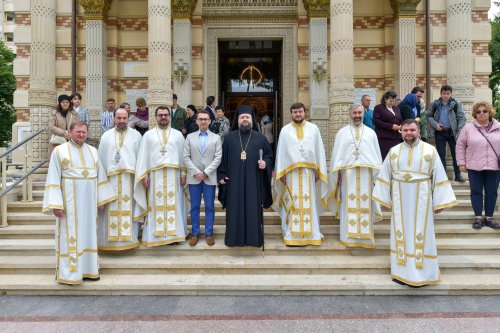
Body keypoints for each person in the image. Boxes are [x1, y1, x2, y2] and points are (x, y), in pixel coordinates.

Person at [373, 119, 457, 287]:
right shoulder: (393, 151)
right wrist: (383, 199)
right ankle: (401, 272)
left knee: (422, 233)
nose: (409, 133)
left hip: (423, 201)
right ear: (401, 132)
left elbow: (439, 176)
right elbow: (384, 176)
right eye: (405, 130)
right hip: (399, 201)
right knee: (400, 233)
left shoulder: (430, 150)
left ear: (419, 131)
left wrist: (440, 202)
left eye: (412, 130)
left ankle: (424, 273)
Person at [42, 121, 115, 285]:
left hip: (89, 205)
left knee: (89, 234)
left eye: (84, 132)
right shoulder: (60, 151)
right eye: (78, 132)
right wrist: (56, 204)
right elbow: (53, 177)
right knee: (70, 236)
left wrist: (101, 199)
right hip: (69, 205)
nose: (81, 135)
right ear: (70, 132)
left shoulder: (93, 152)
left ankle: (89, 270)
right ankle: (70, 273)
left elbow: (100, 176)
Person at [328, 104, 383, 248]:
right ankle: (348, 237)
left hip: (367, 174)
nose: (357, 115)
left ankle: (365, 237)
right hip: (348, 176)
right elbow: (337, 156)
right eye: (354, 113)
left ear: (363, 114)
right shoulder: (342, 133)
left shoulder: (371, 133)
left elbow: (376, 156)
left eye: (359, 113)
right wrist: (337, 174)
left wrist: (377, 178)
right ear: (349, 114)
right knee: (348, 204)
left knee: (366, 203)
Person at [217, 105, 273, 247]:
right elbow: (222, 159)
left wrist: (265, 163)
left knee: (253, 210)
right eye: (242, 117)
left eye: (247, 117)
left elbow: (269, 156)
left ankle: (254, 239)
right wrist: (221, 175)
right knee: (234, 210)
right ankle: (233, 239)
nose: (245, 120)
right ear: (238, 120)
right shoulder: (229, 138)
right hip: (234, 182)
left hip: (254, 182)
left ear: (252, 120)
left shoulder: (260, 138)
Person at [272, 103, 327, 246]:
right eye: (295, 112)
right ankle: (291, 232)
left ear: (305, 113)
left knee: (310, 201)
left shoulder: (314, 129)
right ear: (291, 113)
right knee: (293, 202)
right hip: (291, 174)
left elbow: (319, 150)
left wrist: (319, 170)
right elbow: (281, 152)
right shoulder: (285, 130)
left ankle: (312, 233)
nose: (298, 114)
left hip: (309, 173)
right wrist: (281, 172)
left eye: (300, 112)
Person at [134, 106, 188, 247]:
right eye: (160, 115)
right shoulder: (148, 135)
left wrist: (183, 173)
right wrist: (144, 173)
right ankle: (154, 237)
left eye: (166, 115)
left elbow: (183, 156)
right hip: (154, 176)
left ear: (170, 117)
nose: (163, 117)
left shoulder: (177, 135)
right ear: (155, 117)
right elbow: (143, 156)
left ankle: (175, 235)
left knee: (174, 205)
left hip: (174, 175)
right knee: (154, 205)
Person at [97, 108, 143, 250]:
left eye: (124, 118)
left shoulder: (136, 136)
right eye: (119, 118)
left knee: (131, 209)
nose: (122, 121)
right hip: (110, 182)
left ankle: (131, 240)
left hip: (130, 180)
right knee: (110, 209)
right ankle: (108, 242)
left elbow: (141, 159)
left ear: (128, 118)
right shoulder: (106, 136)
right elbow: (100, 162)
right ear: (114, 118)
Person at [456, 102, 500, 230]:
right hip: (474, 166)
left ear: (490, 112)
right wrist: (461, 163)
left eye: (484, 111)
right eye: (479, 111)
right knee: (476, 191)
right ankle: (478, 217)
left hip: (494, 167)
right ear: (475, 114)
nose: (481, 113)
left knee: (492, 192)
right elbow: (460, 146)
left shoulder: (499, 127)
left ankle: (489, 217)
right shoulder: (468, 128)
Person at [183, 110, 222, 246]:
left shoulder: (216, 138)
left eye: (206, 119)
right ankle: (195, 233)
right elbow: (186, 157)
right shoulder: (189, 137)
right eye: (201, 119)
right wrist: (196, 172)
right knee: (194, 207)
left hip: (209, 178)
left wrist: (205, 172)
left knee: (210, 207)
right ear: (197, 121)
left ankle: (209, 233)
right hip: (194, 178)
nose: (203, 121)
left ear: (210, 121)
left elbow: (218, 158)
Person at [427, 84, 466, 182]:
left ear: (451, 94)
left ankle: (458, 175)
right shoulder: (435, 104)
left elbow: (462, 118)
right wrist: (435, 125)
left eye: (448, 93)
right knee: (441, 155)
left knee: (456, 154)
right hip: (439, 132)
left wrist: (460, 131)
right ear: (441, 93)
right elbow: (429, 116)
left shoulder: (456, 104)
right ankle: (442, 176)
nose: (446, 95)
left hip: (453, 133)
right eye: (444, 93)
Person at [373, 91, 403, 160]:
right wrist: (391, 126)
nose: (392, 103)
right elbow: (376, 121)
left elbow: (400, 119)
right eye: (390, 101)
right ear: (385, 99)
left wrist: (401, 125)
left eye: (393, 101)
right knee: (386, 157)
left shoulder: (396, 108)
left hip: (397, 138)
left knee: (396, 157)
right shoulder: (379, 108)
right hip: (384, 138)